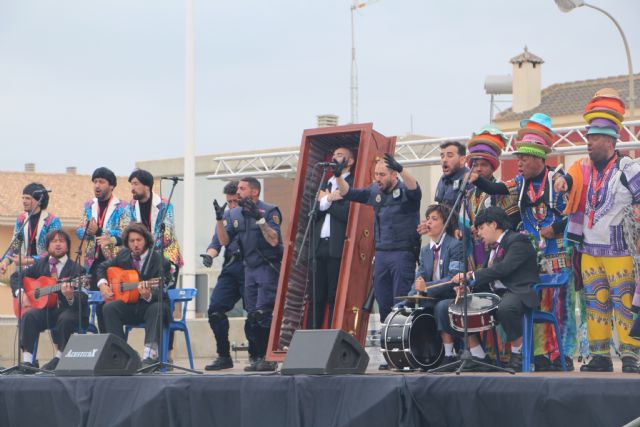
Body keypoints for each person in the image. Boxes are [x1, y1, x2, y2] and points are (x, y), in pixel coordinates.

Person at [470, 113, 577, 371]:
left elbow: (572, 212)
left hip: (557, 253)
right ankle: (540, 354)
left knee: (560, 305)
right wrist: (478, 180)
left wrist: (555, 228)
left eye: (524, 158)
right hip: (531, 257)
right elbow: (496, 189)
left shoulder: (556, 179)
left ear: (539, 158)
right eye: (518, 157)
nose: (519, 163)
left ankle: (562, 354)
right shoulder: (520, 182)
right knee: (535, 303)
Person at [554, 88, 640, 373]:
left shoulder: (628, 168)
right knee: (595, 304)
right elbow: (566, 177)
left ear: (610, 141)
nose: (588, 142)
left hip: (620, 250)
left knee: (624, 303)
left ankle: (631, 355)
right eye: (587, 137)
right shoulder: (582, 169)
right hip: (589, 250)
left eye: (593, 138)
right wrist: (562, 182)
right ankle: (600, 356)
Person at [337, 153, 421, 336]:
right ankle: (388, 344)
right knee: (383, 300)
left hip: (402, 253)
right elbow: (348, 193)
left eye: (382, 174)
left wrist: (401, 169)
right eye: (376, 174)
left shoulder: (406, 190)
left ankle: (403, 342)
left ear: (393, 175)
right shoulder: (375, 190)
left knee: (401, 300)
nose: (378, 178)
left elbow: (415, 189)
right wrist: (338, 177)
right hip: (382, 254)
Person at [451, 207, 540, 371]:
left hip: (517, 292)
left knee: (506, 307)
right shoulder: (492, 248)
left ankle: (519, 354)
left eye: (481, 228)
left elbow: (504, 269)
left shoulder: (518, 241)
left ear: (493, 224)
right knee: (457, 307)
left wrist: (471, 275)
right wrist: (467, 288)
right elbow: (487, 277)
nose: (478, 233)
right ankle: (478, 355)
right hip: (496, 294)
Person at [216, 177, 283, 372]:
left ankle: (269, 358)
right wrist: (219, 220)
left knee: (264, 313)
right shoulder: (235, 213)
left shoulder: (269, 211)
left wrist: (259, 219)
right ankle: (259, 357)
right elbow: (224, 241)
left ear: (255, 191)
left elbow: (274, 240)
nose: (238, 192)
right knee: (253, 315)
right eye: (238, 188)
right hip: (249, 269)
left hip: (267, 267)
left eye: (242, 188)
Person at [11, 230, 87, 371]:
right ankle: (28, 361)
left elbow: (82, 298)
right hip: (46, 310)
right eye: (54, 241)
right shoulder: (40, 264)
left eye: (61, 241)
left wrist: (70, 296)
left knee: (65, 319)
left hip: (67, 310)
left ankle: (59, 357)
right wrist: (21, 293)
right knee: (29, 315)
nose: (58, 244)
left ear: (68, 246)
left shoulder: (77, 269)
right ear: (47, 246)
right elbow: (16, 276)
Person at [97, 223, 172, 367]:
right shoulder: (123, 255)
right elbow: (102, 267)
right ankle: (120, 355)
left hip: (151, 306)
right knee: (109, 308)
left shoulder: (160, 261)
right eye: (132, 241)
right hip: (130, 305)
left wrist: (148, 294)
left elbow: (163, 291)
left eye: (139, 240)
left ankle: (150, 356)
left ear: (146, 240)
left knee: (157, 308)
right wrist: (103, 284)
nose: (135, 244)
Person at [201, 181, 256, 371]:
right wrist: (209, 255)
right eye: (229, 202)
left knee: (255, 314)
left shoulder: (254, 214)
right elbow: (216, 243)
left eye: (235, 201)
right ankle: (224, 355)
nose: (232, 205)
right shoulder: (225, 217)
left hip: (252, 268)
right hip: (231, 267)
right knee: (215, 310)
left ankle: (257, 355)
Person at [409, 205, 471, 369]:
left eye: (434, 219)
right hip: (433, 295)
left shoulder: (455, 245)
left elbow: (453, 278)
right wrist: (411, 296)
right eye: (427, 219)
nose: (428, 222)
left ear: (445, 223)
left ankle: (449, 355)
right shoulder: (425, 250)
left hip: (453, 294)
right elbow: (420, 277)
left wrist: (426, 287)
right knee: (412, 307)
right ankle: (423, 354)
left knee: (441, 306)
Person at [307, 146, 355, 329]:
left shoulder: (352, 183)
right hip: (318, 245)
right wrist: (331, 197)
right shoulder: (325, 183)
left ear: (350, 161)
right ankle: (312, 335)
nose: (335, 158)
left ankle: (331, 335)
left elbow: (346, 213)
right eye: (333, 155)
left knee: (334, 294)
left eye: (340, 155)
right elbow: (313, 213)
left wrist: (326, 200)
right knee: (315, 295)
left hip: (337, 246)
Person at [459, 125, 519, 270]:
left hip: (495, 248)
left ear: (493, 167)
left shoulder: (501, 190)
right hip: (474, 249)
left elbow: (510, 223)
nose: (478, 168)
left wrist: (482, 226)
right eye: (475, 165)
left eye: (484, 165)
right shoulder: (468, 194)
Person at [76, 167, 127, 332]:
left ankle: (113, 340)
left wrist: (99, 231)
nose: (97, 185)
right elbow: (79, 231)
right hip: (93, 263)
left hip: (113, 263)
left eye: (101, 182)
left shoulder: (123, 207)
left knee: (111, 303)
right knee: (97, 304)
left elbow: (124, 232)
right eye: (95, 182)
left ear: (111, 185)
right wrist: (87, 231)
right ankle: (102, 339)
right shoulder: (89, 205)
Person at [0, 183, 62, 274]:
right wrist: (5, 262)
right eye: (23, 198)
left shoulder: (52, 221)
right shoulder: (21, 219)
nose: (24, 201)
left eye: (28, 198)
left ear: (39, 200)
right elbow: (15, 245)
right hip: (24, 271)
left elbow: (53, 250)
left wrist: (29, 261)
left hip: (46, 271)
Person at [434, 141, 469, 212]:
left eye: (449, 156)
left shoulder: (469, 179)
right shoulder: (443, 179)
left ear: (462, 160)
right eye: (442, 156)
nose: (444, 160)